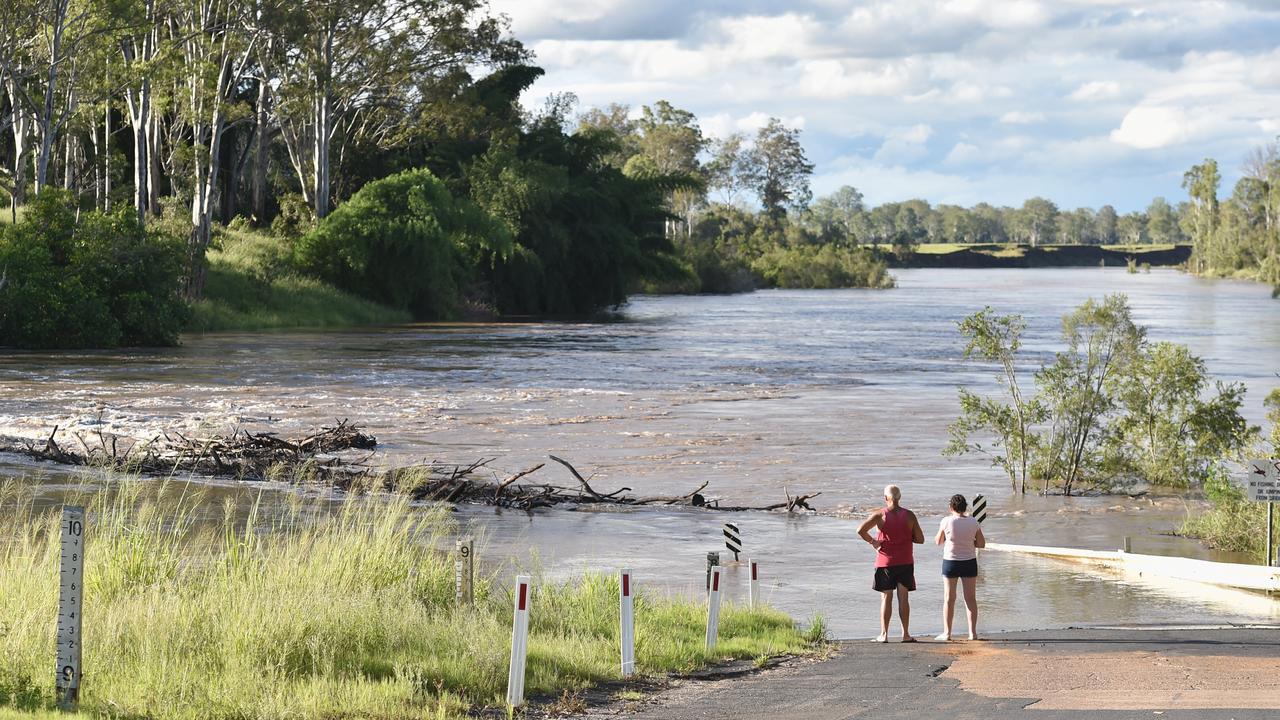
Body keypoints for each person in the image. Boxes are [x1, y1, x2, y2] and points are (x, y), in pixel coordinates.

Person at [858, 484, 924, 642]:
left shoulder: (880, 515)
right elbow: (920, 539)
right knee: (903, 598)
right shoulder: (909, 515)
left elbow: (860, 530)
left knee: (886, 598)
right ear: (899, 498)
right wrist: (908, 538)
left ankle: (884, 634)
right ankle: (906, 634)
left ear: (885, 498)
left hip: (885, 562)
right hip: (905, 561)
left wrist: (873, 541)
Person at [934, 494, 986, 641]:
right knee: (970, 599)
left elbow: (938, 541)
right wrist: (969, 541)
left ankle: (947, 633)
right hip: (969, 562)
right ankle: (972, 633)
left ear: (951, 507)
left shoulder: (946, 521)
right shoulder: (973, 522)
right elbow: (981, 543)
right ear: (965, 507)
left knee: (949, 598)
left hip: (951, 562)